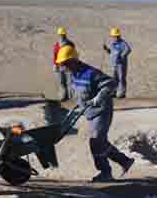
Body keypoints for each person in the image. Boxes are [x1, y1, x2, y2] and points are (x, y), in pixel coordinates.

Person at [57, 44, 134, 181]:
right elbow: (81, 93)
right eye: (63, 64)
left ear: (73, 60)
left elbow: (111, 84)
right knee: (100, 142)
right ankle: (124, 161)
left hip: (101, 111)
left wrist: (99, 97)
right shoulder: (74, 75)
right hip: (90, 113)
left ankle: (106, 173)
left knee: (96, 141)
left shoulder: (91, 73)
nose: (65, 67)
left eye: (66, 63)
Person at [102, 27, 132, 98]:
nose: (115, 38)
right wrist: (106, 49)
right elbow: (111, 53)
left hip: (121, 65)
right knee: (114, 78)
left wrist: (122, 56)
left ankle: (122, 93)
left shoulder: (123, 43)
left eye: (116, 36)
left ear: (118, 36)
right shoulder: (113, 44)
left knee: (121, 78)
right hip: (114, 64)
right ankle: (114, 92)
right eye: (113, 36)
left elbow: (128, 50)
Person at [53, 27, 74, 101]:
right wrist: (55, 64)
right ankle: (65, 96)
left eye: (62, 34)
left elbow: (73, 54)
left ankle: (71, 97)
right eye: (61, 35)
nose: (62, 36)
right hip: (61, 66)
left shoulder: (70, 44)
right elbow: (55, 55)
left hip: (68, 66)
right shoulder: (57, 45)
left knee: (70, 82)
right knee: (62, 82)